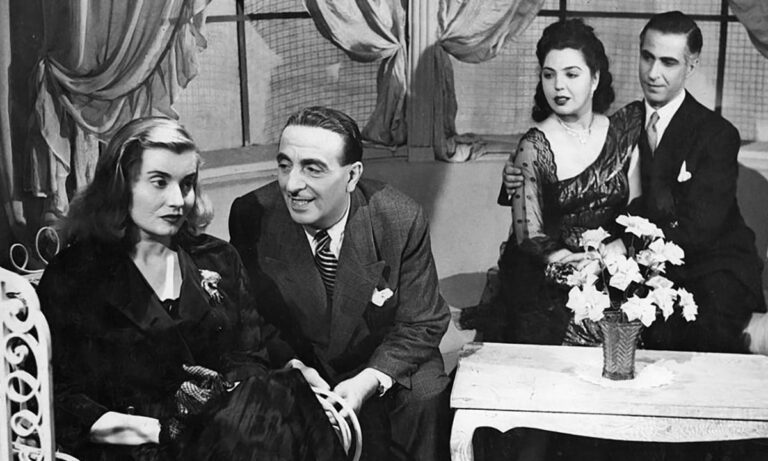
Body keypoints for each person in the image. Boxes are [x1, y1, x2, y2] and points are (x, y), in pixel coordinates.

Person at [37, 117, 345, 461]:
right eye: (159, 182)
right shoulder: (76, 274)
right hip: (134, 445)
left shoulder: (218, 258)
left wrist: (224, 396)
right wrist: (164, 429)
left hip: (224, 437)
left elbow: (249, 359)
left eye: (186, 184)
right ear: (121, 186)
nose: (177, 200)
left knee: (286, 394)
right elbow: (62, 400)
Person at [229, 106, 452, 461]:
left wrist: (369, 379)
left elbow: (422, 321)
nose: (291, 184)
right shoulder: (252, 214)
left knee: (426, 392)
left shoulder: (399, 218)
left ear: (352, 176)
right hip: (300, 362)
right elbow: (252, 317)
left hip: (379, 359)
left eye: (313, 168)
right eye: (284, 165)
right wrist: (292, 367)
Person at [461, 19, 643, 347]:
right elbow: (529, 235)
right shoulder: (533, 146)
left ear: (595, 78)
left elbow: (637, 215)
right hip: (548, 272)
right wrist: (572, 264)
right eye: (549, 75)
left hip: (611, 266)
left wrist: (611, 258)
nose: (558, 86)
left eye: (571, 74)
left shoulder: (623, 135)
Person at [626, 10, 766, 353]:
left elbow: (700, 229)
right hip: (647, 258)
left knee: (696, 329)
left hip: (712, 263)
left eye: (668, 62)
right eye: (647, 57)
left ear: (691, 66)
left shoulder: (716, 134)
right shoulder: (623, 123)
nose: (653, 73)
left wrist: (629, 252)